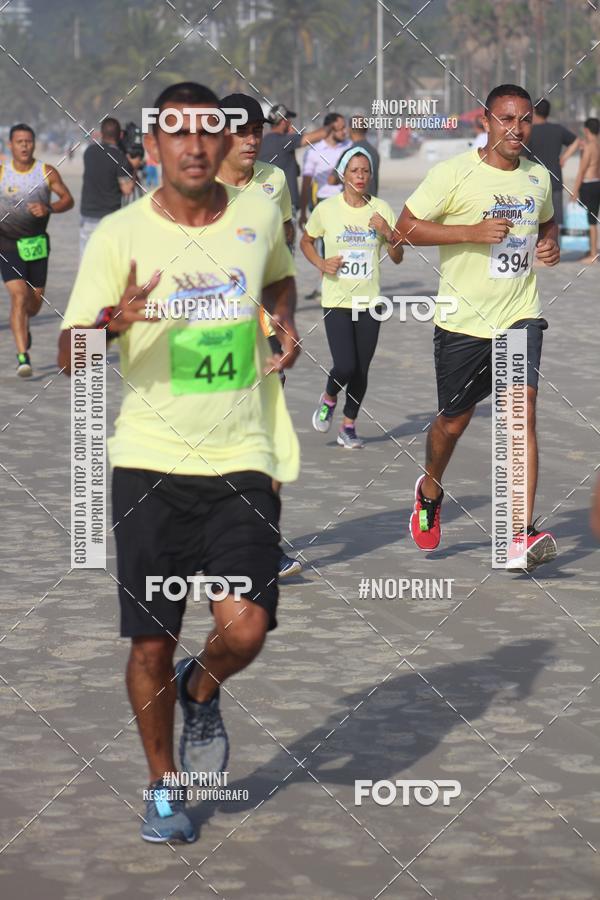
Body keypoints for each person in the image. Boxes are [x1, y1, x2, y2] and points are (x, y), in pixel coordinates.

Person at [58, 81, 300, 844]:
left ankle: (203, 690)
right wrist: (111, 321)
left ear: (227, 142)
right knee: (152, 640)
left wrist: (283, 319)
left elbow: (280, 275)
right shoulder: (119, 236)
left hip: (242, 457)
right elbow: (71, 355)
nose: (195, 145)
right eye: (178, 134)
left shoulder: (259, 214)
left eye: (209, 132)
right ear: (153, 147)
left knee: (248, 626)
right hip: (149, 463)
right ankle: (164, 787)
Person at [396, 84, 559, 571]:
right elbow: (406, 227)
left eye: (525, 119)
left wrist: (548, 245)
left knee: (520, 414)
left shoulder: (537, 177)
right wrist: (469, 231)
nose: (516, 128)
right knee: (452, 422)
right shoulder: (453, 174)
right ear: (485, 121)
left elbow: (546, 224)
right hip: (462, 323)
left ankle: (517, 535)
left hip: (519, 315)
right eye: (506, 118)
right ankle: (429, 490)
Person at [217, 92, 302, 579]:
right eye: (240, 130)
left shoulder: (274, 181)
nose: (251, 139)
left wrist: (286, 317)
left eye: (256, 129)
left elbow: (284, 252)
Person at [301, 148, 403, 448]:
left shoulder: (382, 208)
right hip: (336, 300)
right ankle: (329, 397)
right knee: (344, 365)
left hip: (369, 302)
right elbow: (307, 240)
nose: (360, 177)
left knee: (361, 369)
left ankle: (349, 426)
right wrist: (321, 264)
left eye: (365, 171)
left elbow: (397, 257)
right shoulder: (327, 209)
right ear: (343, 173)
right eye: (355, 171)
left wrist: (388, 232)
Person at [0, 123, 73, 376]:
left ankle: (24, 324)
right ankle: (23, 357)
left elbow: (67, 199)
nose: (24, 145)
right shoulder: (1, 173)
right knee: (18, 297)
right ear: (10, 145)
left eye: (28, 141)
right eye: (19, 141)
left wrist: (49, 208)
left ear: (34, 144)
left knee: (33, 304)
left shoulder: (46, 171)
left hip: (37, 245)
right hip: (7, 245)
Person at [300, 112, 352, 300]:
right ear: (329, 129)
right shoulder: (314, 151)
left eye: (346, 127)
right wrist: (303, 211)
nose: (345, 131)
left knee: (346, 242)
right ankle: (324, 285)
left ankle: (345, 285)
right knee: (323, 245)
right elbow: (306, 182)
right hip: (322, 203)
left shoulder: (349, 147)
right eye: (341, 128)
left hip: (346, 202)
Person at [258, 103, 331, 216]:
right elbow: (317, 136)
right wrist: (332, 126)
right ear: (283, 122)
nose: (291, 123)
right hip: (285, 206)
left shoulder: (264, 141)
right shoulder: (285, 141)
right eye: (289, 120)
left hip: (267, 202)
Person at [79, 117, 135, 257]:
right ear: (120, 135)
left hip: (87, 216)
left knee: (87, 261)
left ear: (101, 133)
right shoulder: (119, 158)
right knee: (108, 262)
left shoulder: (89, 152)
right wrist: (132, 167)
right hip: (109, 218)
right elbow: (127, 189)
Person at [524, 98, 576, 227]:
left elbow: (523, 158)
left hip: (533, 182)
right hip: (555, 180)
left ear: (534, 111)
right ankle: (554, 245)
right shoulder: (557, 129)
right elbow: (576, 142)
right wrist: (564, 157)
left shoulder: (529, 131)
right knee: (554, 221)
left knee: (532, 218)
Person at [328, 117, 381, 195]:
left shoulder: (349, 153)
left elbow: (332, 180)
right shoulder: (374, 152)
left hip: (352, 203)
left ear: (349, 130)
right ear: (366, 129)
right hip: (372, 201)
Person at [572, 117, 600, 263]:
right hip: (597, 183)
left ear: (586, 130)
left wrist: (574, 191)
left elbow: (582, 171)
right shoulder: (598, 145)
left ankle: (593, 254)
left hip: (588, 185)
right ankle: (591, 250)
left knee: (590, 221)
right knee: (592, 219)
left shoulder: (589, 147)